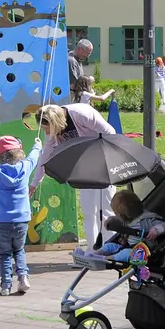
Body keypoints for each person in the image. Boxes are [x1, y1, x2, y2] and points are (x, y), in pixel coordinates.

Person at [31, 103, 117, 249]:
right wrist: (34, 183)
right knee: (89, 211)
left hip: (104, 160)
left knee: (106, 209)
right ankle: (92, 249)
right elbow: (46, 155)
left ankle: (109, 248)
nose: (47, 133)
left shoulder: (82, 114)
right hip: (83, 167)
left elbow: (110, 132)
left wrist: (101, 158)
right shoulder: (51, 131)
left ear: (56, 122)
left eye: (48, 128)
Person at [0, 134, 42, 296]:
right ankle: (23, 277)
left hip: (3, 220)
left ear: (0, 156)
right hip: (22, 219)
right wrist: (37, 145)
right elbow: (34, 157)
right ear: (18, 153)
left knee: (5, 254)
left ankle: (5, 285)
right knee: (19, 250)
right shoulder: (24, 167)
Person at [71, 189, 165, 267]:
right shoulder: (128, 220)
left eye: (117, 214)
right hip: (128, 246)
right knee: (109, 246)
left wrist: (157, 230)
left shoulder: (146, 220)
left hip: (141, 253)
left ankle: (103, 258)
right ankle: (92, 255)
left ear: (123, 214)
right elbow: (117, 220)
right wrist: (111, 220)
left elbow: (164, 225)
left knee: (124, 253)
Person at [65, 38, 94, 105]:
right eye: (87, 53)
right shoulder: (71, 61)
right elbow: (74, 84)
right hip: (71, 97)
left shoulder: (77, 60)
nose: (87, 56)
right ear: (80, 50)